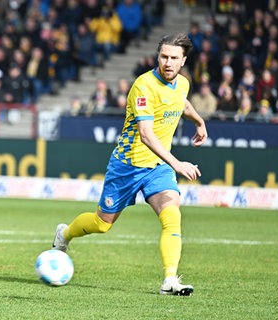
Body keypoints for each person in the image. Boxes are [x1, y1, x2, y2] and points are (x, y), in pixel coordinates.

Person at [52, 33, 207, 296]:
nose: (167, 63)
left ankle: (170, 280)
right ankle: (64, 235)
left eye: (173, 58)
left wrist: (199, 121)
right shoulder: (143, 86)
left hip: (158, 167)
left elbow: (181, 102)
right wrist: (177, 163)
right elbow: (146, 135)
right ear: (158, 57)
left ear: (183, 61)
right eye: (163, 57)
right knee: (102, 224)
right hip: (128, 164)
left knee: (172, 216)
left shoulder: (182, 83)